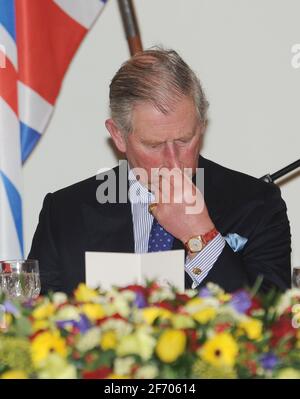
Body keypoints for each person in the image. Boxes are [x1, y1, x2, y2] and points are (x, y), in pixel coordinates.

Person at [28, 48, 291, 295]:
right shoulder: (64, 214)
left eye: (184, 140)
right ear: (118, 135)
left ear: (200, 126)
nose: (173, 162)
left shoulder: (257, 205)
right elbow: (37, 325)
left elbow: (269, 322)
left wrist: (200, 236)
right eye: (153, 145)